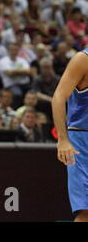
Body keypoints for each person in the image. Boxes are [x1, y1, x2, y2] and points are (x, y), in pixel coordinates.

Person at [52, 48, 88, 222]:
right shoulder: (83, 59)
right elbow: (59, 97)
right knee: (86, 212)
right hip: (81, 141)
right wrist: (63, 139)